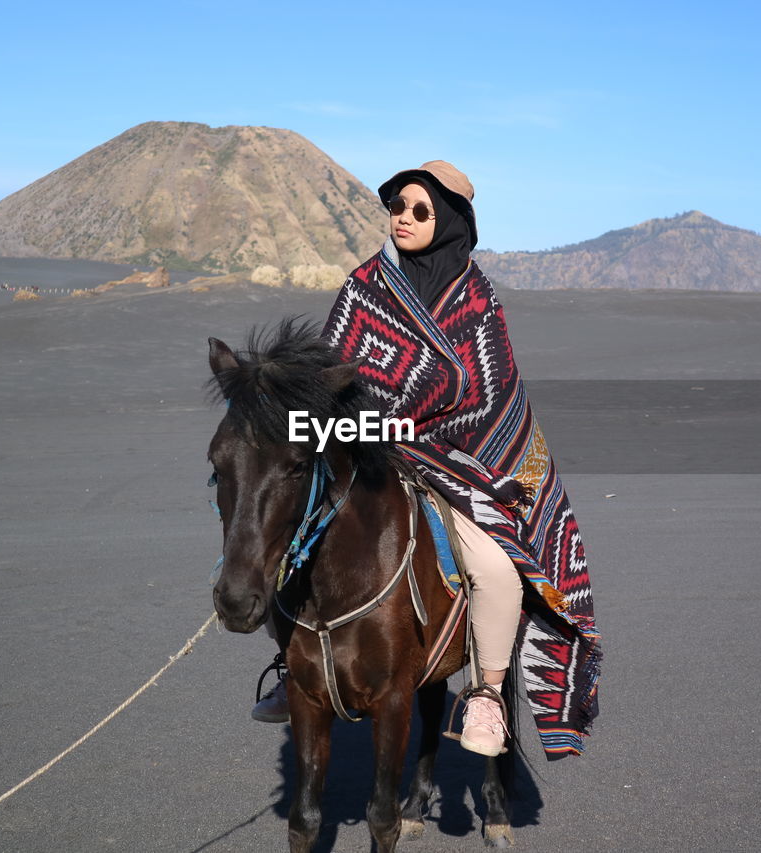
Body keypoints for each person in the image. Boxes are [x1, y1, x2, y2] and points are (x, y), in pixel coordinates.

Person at [253, 161, 601, 759]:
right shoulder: (363, 288)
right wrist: (339, 423)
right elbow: (331, 374)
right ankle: (294, 670)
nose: (404, 219)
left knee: (494, 571)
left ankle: (487, 695)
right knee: (284, 536)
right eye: (397, 207)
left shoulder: (476, 296)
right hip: (367, 447)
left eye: (420, 211)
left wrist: (402, 422)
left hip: (457, 463)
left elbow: (487, 395)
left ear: (450, 222)